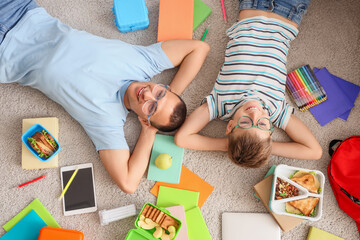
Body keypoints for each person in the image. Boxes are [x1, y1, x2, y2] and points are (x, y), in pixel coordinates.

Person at [0, 0, 210, 193]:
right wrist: (173, 93)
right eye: (159, 93)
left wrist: (148, 133)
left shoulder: (107, 122)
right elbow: (199, 48)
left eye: (151, 108)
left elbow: (128, 183)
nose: (147, 94)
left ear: (144, 120)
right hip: (22, 10)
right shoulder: (144, 62)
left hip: (5, 55)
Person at [175, 0, 323, 168]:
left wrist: (229, 144)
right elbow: (314, 151)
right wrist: (263, 147)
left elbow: (182, 138)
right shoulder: (276, 112)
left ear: (230, 126)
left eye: (245, 123)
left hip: (253, 6)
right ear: (270, 131)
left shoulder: (220, 105)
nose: (255, 115)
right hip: (289, 12)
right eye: (261, 124)